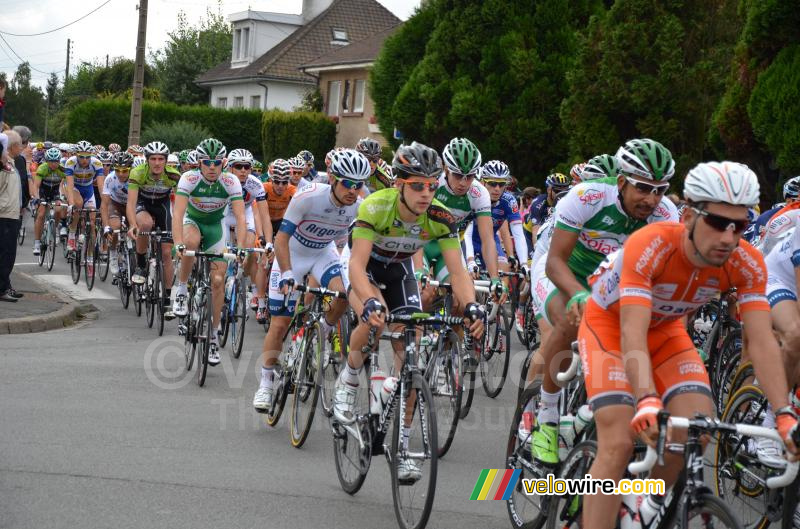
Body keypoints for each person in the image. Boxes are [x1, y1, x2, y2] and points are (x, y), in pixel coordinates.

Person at [578, 161, 798, 529]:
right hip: (611, 329)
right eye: (716, 222)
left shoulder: (747, 262)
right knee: (617, 443)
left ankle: (644, 508)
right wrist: (646, 397)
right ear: (688, 216)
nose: (729, 237)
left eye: (740, 225)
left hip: (665, 331)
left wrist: (783, 413)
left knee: (698, 426)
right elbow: (632, 331)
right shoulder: (650, 245)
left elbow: (761, 341)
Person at [333, 141, 485, 482]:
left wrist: (472, 305)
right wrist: (369, 300)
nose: (426, 193)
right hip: (366, 270)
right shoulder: (376, 206)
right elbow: (356, 265)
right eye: (417, 185)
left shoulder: (440, 216)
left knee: (412, 346)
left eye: (432, 185)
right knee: (375, 320)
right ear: (399, 183)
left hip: (400, 272)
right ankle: (349, 378)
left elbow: (458, 272)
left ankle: (402, 447)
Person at [527, 138, 679, 465]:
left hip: (611, 283)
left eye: (660, 189)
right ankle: (547, 418)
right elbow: (555, 262)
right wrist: (579, 294)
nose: (652, 199)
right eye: (643, 188)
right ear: (621, 182)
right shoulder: (588, 196)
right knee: (573, 320)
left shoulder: (666, 214)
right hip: (565, 272)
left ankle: (587, 409)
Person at [253, 149, 368, 411]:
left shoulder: (358, 208)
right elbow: (281, 239)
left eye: (358, 185)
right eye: (348, 183)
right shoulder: (307, 197)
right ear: (335, 179)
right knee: (280, 324)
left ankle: (324, 329)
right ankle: (266, 383)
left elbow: (352, 247)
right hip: (292, 253)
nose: (353, 190)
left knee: (344, 294)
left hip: (323, 253)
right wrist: (287, 273)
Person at [172, 138, 247, 365]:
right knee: (190, 243)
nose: (212, 167)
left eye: (216, 162)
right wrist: (178, 243)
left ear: (223, 163)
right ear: (199, 163)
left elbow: (241, 217)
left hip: (216, 227)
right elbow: (178, 213)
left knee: (217, 280)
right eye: (207, 162)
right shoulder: (189, 178)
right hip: (192, 221)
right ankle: (183, 289)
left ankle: (213, 335)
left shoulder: (230, 180)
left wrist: (242, 247)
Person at [126, 141, 179, 316]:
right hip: (143, 203)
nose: (157, 163)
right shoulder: (138, 173)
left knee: (166, 254)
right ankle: (141, 264)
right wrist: (133, 225)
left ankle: (167, 299)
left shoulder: (174, 176)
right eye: (153, 159)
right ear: (147, 160)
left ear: (166, 161)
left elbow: (179, 206)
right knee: (146, 224)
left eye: (161, 159)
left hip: (162, 206)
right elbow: (131, 203)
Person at [64, 140, 104, 253]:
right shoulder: (70, 163)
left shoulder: (97, 163)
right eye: (81, 157)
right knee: (78, 204)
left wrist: (104, 205)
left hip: (88, 189)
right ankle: (72, 235)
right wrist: (71, 204)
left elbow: (101, 188)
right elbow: (70, 186)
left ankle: (90, 257)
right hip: (75, 187)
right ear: (76, 155)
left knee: (92, 222)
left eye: (88, 157)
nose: (85, 160)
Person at [0, 130, 24, 301]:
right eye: (21, 144)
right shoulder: (4, 166)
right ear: (13, 146)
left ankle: (5, 285)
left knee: (9, 253)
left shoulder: (11, 163)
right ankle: (2, 289)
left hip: (11, 214)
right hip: (4, 215)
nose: (22, 147)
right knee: (5, 253)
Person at [100, 152, 134, 275]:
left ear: (131, 169)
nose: (121, 174)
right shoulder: (110, 179)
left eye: (125, 171)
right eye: (117, 170)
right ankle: (113, 253)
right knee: (115, 227)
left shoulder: (136, 178)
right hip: (115, 204)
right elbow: (104, 205)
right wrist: (106, 226)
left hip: (132, 204)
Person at [30, 148, 68, 256]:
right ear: (47, 161)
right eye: (51, 161)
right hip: (43, 193)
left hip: (55, 193)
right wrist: (37, 198)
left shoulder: (62, 170)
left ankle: (54, 229)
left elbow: (65, 185)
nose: (54, 163)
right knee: (41, 214)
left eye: (56, 161)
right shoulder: (42, 168)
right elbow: (36, 186)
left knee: (58, 209)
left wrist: (63, 197)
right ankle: (37, 243)